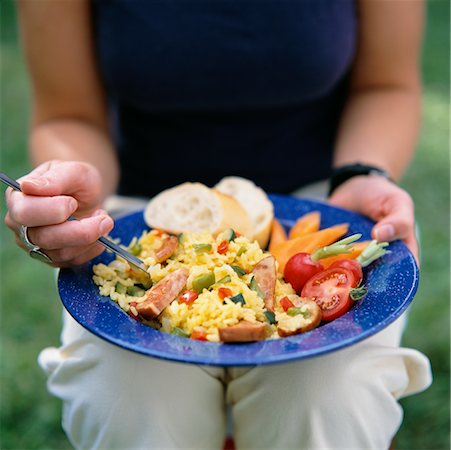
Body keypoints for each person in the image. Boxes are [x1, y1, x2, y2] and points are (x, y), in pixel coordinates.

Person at [5, 0, 432, 448]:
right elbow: (67, 114)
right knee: (123, 403)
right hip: (141, 221)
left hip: (321, 207)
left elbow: (387, 85)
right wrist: (72, 192)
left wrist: (363, 173)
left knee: (327, 403)